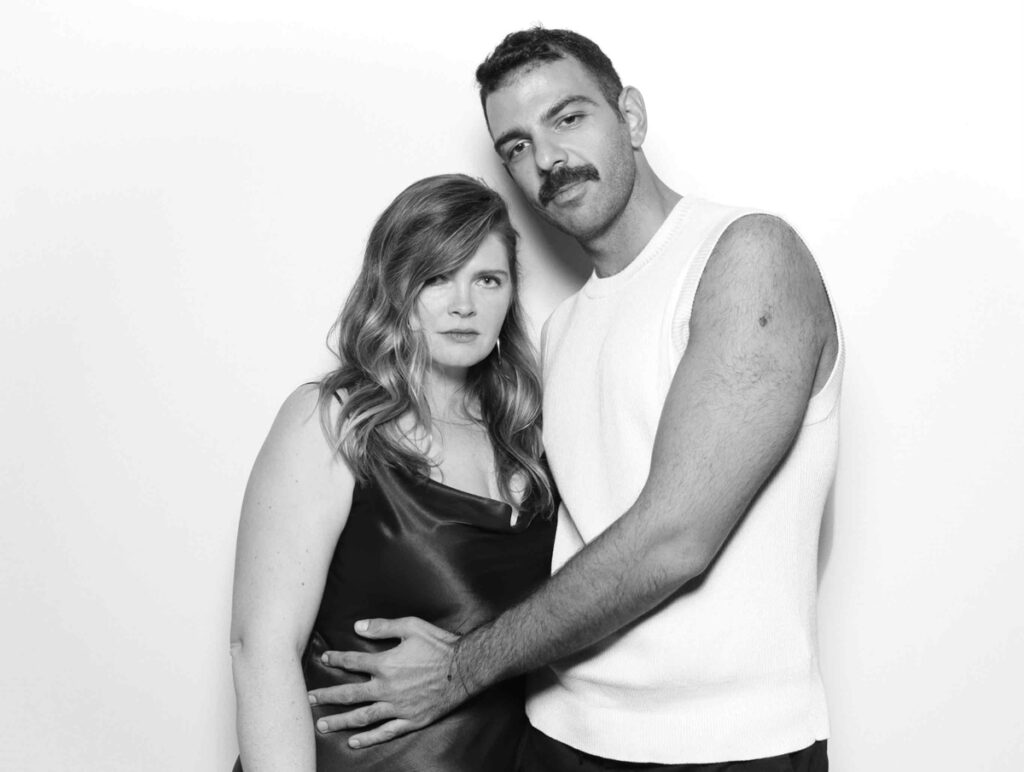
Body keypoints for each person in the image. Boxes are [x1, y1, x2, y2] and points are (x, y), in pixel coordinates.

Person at [309, 28, 841, 771]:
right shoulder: (556, 335)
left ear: (631, 116)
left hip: (726, 748)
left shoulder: (746, 256)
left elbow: (674, 538)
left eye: (568, 118)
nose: (548, 160)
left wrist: (460, 667)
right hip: (555, 740)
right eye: (517, 147)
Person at [228, 173, 557, 771]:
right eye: (436, 278)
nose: (464, 304)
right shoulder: (333, 420)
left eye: (488, 279)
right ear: (395, 287)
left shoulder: (533, 437)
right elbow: (261, 649)